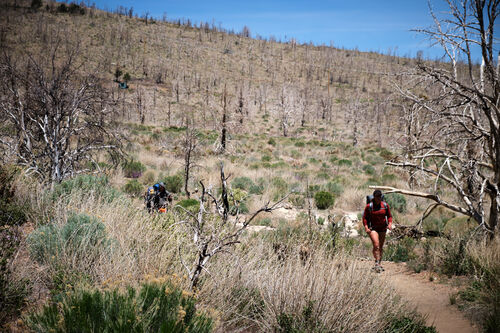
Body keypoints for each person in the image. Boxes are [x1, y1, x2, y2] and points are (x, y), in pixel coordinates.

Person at [363, 189, 393, 272]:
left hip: (383, 228)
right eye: (377, 197)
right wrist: (366, 227)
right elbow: (364, 218)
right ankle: (376, 262)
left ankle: (379, 263)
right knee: (376, 245)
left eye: (380, 196)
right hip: (373, 228)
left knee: (380, 246)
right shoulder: (369, 206)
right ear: (374, 197)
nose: (379, 198)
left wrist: (390, 224)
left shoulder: (385, 205)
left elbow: (389, 216)